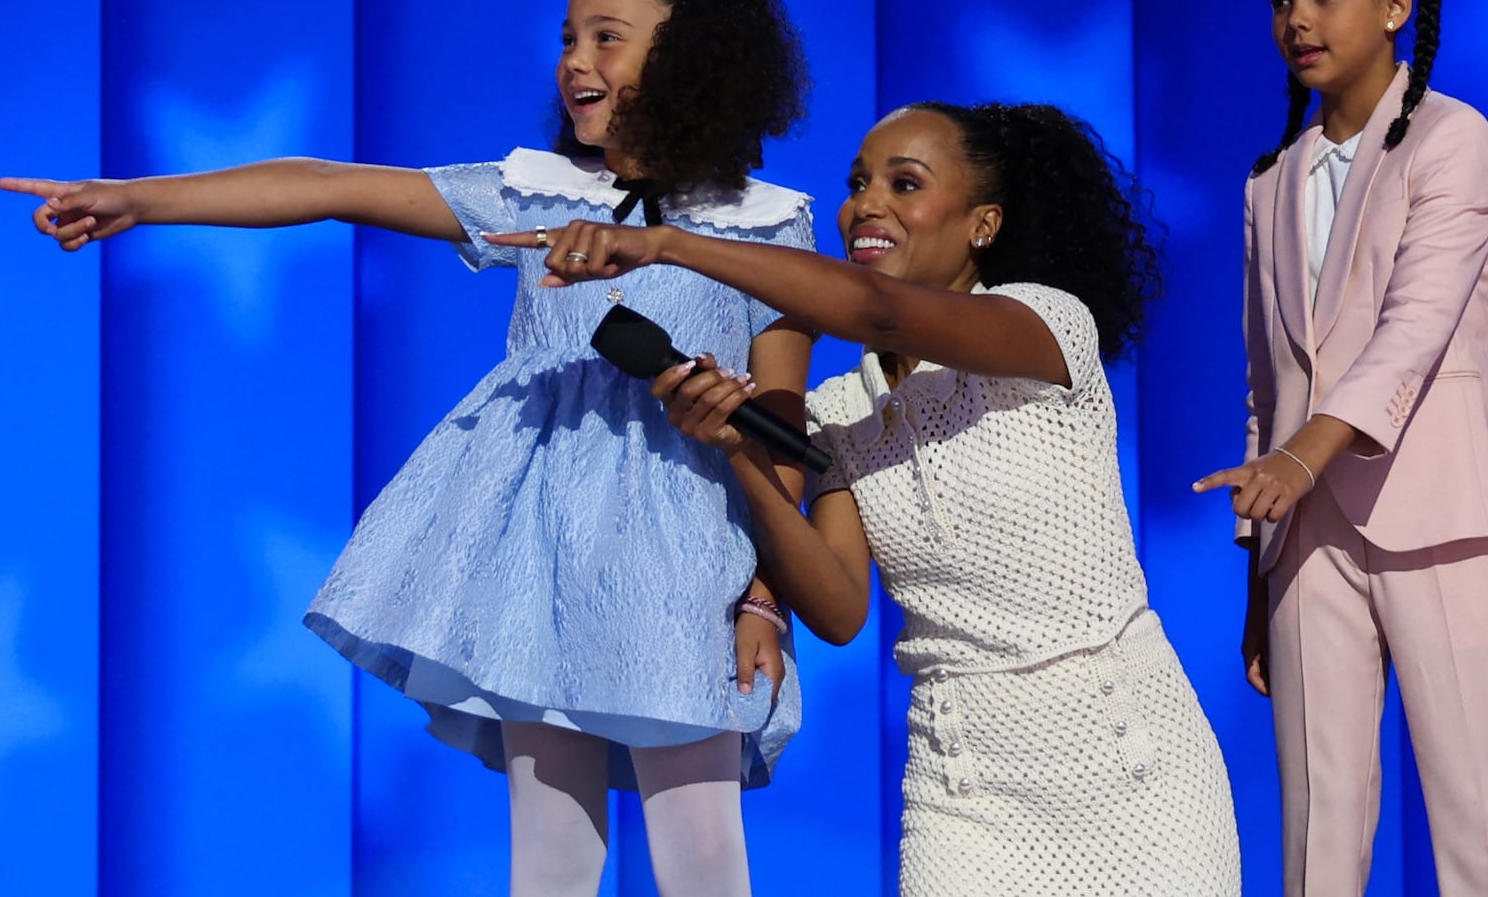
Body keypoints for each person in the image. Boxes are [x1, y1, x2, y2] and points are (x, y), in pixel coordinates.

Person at [0, 0, 814, 897]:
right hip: (534, 555)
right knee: (549, 857)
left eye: (608, 38)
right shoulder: (535, 189)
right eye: (568, 38)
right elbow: (329, 182)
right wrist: (140, 200)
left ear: (692, 59)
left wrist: (765, 598)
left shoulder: (768, 225)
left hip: (683, 558)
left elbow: (780, 430)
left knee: (703, 852)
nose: (575, 60)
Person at [494, 101, 1242, 895]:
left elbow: (875, 309)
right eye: (857, 183)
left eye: (904, 182)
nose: (866, 204)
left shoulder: (1048, 326)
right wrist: (738, 451)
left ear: (983, 223)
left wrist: (666, 244)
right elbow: (842, 607)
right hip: (962, 791)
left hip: (1132, 764)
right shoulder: (841, 413)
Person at [1193, 0, 1488, 895]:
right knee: (1316, 829)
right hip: (1303, 538)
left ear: (1394, 4)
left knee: (1480, 821)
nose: (1296, 19)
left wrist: (1301, 455)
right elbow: (1268, 379)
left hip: (1438, 515)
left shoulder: (1450, 138)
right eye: (1278, 0)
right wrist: (1260, 569)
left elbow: (1413, 333)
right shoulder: (1269, 181)